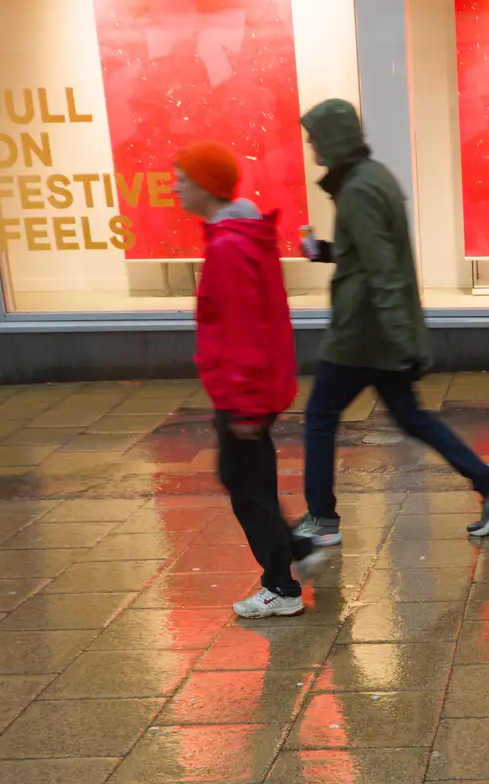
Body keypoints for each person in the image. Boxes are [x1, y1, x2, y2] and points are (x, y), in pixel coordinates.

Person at [291, 100, 489, 542]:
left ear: (333, 140)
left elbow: (383, 269)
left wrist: (402, 340)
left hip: (362, 334)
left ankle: (321, 519)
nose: (310, 144)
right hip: (379, 331)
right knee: (412, 418)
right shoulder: (372, 177)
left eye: (314, 137)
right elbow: (370, 253)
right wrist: (327, 251)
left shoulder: (358, 190)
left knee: (320, 416)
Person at [173, 141, 308, 618]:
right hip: (247, 387)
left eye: (182, 179)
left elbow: (243, 329)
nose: (175, 187)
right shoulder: (237, 236)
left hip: (243, 391)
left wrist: (245, 406)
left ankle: (282, 587)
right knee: (249, 481)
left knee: (246, 487)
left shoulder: (229, 245)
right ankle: (297, 550)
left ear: (206, 186)